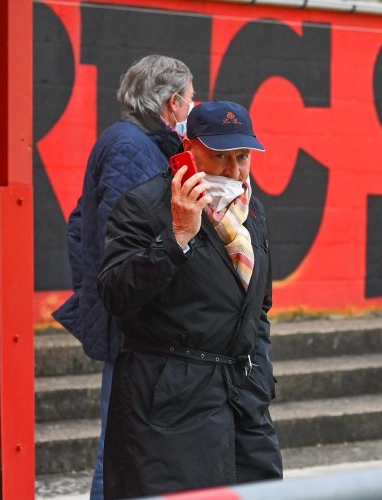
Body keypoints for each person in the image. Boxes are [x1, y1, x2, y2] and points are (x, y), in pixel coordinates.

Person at [97, 101, 282, 498]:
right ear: (188, 147)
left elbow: (258, 307)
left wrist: (260, 377)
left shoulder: (251, 210)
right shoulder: (143, 206)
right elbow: (115, 295)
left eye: (243, 157)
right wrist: (178, 236)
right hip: (169, 405)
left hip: (243, 402)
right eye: (219, 157)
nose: (234, 171)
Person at [52, 55, 195, 500]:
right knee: (117, 452)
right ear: (173, 103)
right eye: (191, 98)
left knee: (127, 447)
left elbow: (80, 225)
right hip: (133, 320)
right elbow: (126, 240)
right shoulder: (131, 147)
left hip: (129, 315)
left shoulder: (133, 142)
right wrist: (106, 298)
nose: (195, 106)